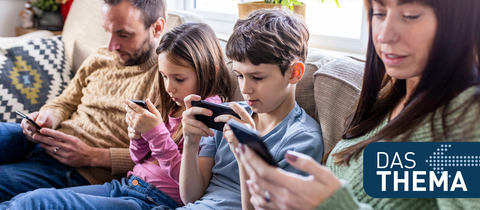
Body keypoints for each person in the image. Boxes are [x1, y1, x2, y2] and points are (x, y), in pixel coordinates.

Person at [236, 0, 480, 209]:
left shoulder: (468, 116)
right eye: (379, 12)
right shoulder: (390, 98)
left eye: (410, 15)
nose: (384, 35)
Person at [0, 22, 233, 210]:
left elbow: (190, 187)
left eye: (178, 79)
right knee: (22, 201)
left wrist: (155, 134)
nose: (169, 87)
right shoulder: (175, 104)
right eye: (163, 76)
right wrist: (138, 137)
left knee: (33, 202)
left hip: (150, 200)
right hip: (124, 185)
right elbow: (140, 158)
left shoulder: (208, 116)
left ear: (207, 70)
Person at [0, 0, 166, 202]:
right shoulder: (100, 57)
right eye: (108, 31)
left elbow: (162, 160)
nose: (111, 46)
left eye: (123, 34)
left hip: (77, 172)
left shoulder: (167, 80)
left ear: (157, 28)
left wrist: (90, 155)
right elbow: (64, 102)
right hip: (44, 141)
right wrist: (46, 117)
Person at [178, 9, 324, 209]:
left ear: (294, 73)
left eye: (257, 77)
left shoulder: (302, 140)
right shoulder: (227, 116)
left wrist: (246, 155)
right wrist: (190, 142)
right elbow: (191, 197)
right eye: (239, 76)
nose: (245, 89)